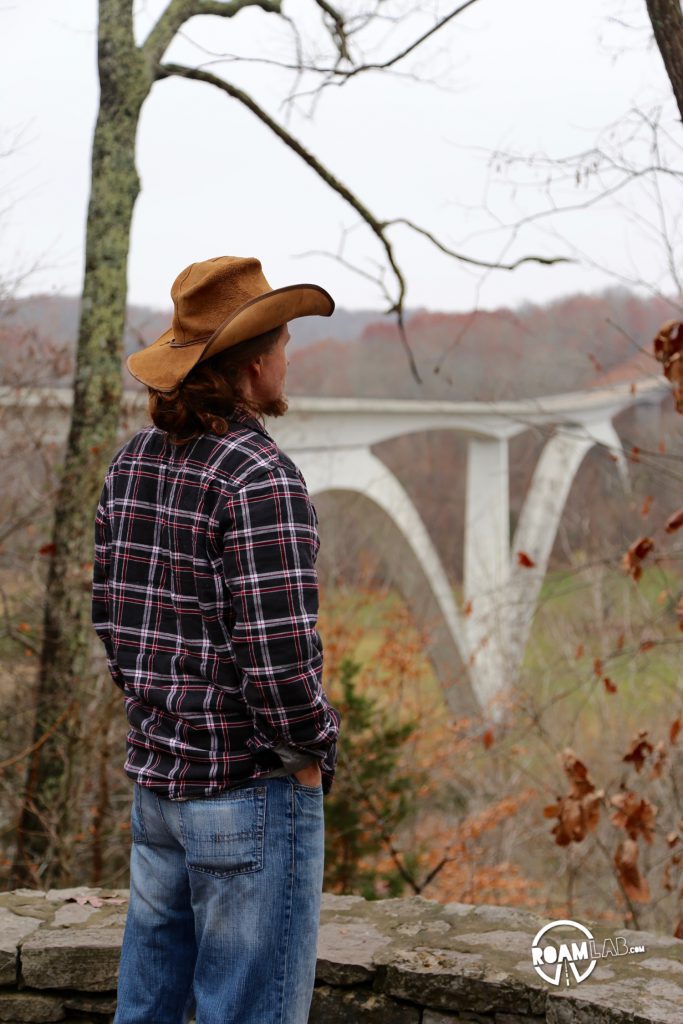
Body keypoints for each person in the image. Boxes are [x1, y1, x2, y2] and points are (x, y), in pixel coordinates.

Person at [92, 256, 341, 1024]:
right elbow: (277, 659)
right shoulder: (258, 475)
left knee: (149, 1010)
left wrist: (161, 715)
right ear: (253, 362)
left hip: (158, 785)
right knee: (252, 1012)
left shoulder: (130, 463)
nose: (289, 354)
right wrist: (311, 749)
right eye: (283, 340)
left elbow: (114, 622)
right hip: (246, 788)